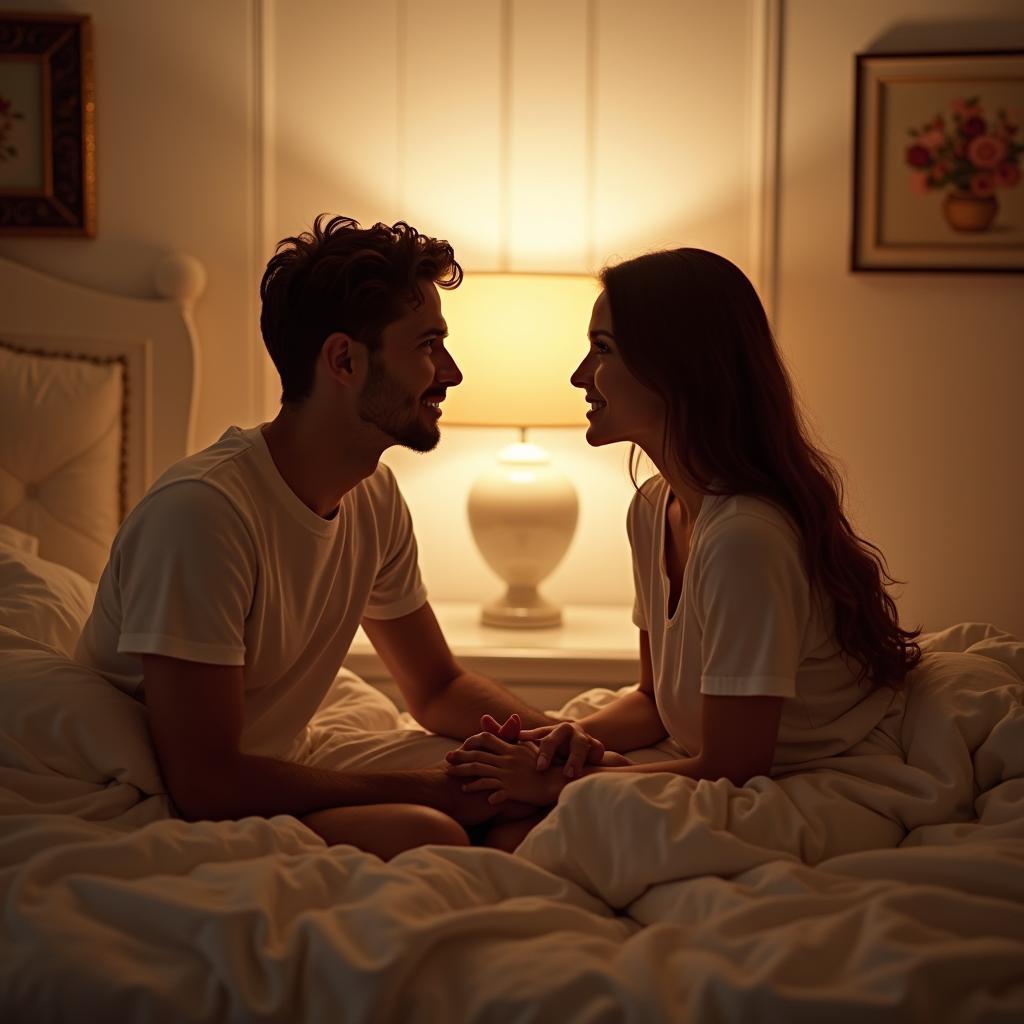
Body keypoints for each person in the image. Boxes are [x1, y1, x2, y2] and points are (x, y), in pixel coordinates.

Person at [74, 215, 605, 860]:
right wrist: (439, 793)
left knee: (510, 791)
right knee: (431, 828)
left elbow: (436, 686)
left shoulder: (372, 494)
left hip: (265, 768)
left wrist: (558, 740)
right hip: (171, 795)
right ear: (344, 360)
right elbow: (204, 781)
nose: (452, 372)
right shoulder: (203, 515)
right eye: (427, 345)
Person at [445, 247, 923, 855]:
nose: (578, 375)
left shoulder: (746, 539)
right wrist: (555, 742)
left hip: (801, 779)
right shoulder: (652, 508)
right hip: (720, 763)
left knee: (522, 835)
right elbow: (652, 701)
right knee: (502, 821)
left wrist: (552, 787)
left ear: (675, 370)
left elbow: (734, 765)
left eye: (603, 349)